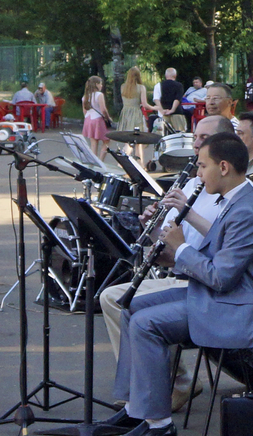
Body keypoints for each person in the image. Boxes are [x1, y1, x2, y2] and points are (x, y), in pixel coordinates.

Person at [99, 131, 253, 436]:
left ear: (223, 167)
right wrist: (172, 254)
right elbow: (218, 260)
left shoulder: (246, 212)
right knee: (131, 309)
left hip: (238, 307)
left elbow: (222, 277)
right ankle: (136, 409)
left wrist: (182, 248)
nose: (198, 173)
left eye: (201, 166)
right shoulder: (235, 200)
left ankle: (159, 424)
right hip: (223, 296)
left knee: (146, 324)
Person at [97, 115, 234, 376]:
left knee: (136, 309)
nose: (196, 145)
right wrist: (152, 230)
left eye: (204, 138)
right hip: (179, 275)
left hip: (204, 286)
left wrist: (187, 211)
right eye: (195, 138)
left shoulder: (232, 192)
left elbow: (222, 242)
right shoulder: (191, 184)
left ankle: (161, 386)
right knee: (111, 297)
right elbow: (170, 248)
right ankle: (161, 380)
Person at [81, 75, 111, 160]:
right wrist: (108, 117)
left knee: (94, 142)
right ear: (96, 84)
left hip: (88, 119)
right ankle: (100, 161)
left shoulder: (85, 96)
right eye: (100, 84)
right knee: (106, 141)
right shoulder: (99, 95)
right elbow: (103, 109)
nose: (101, 86)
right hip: (98, 120)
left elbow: (84, 111)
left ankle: (94, 162)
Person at [155, 67, 186, 132]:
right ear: (175, 75)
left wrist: (162, 110)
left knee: (162, 134)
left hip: (162, 114)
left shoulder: (158, 85)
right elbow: (177, 99)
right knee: (179, 134)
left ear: (166, 75)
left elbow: (156, 99)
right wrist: (172, 110)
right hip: (177, 113)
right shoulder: (179, 85)